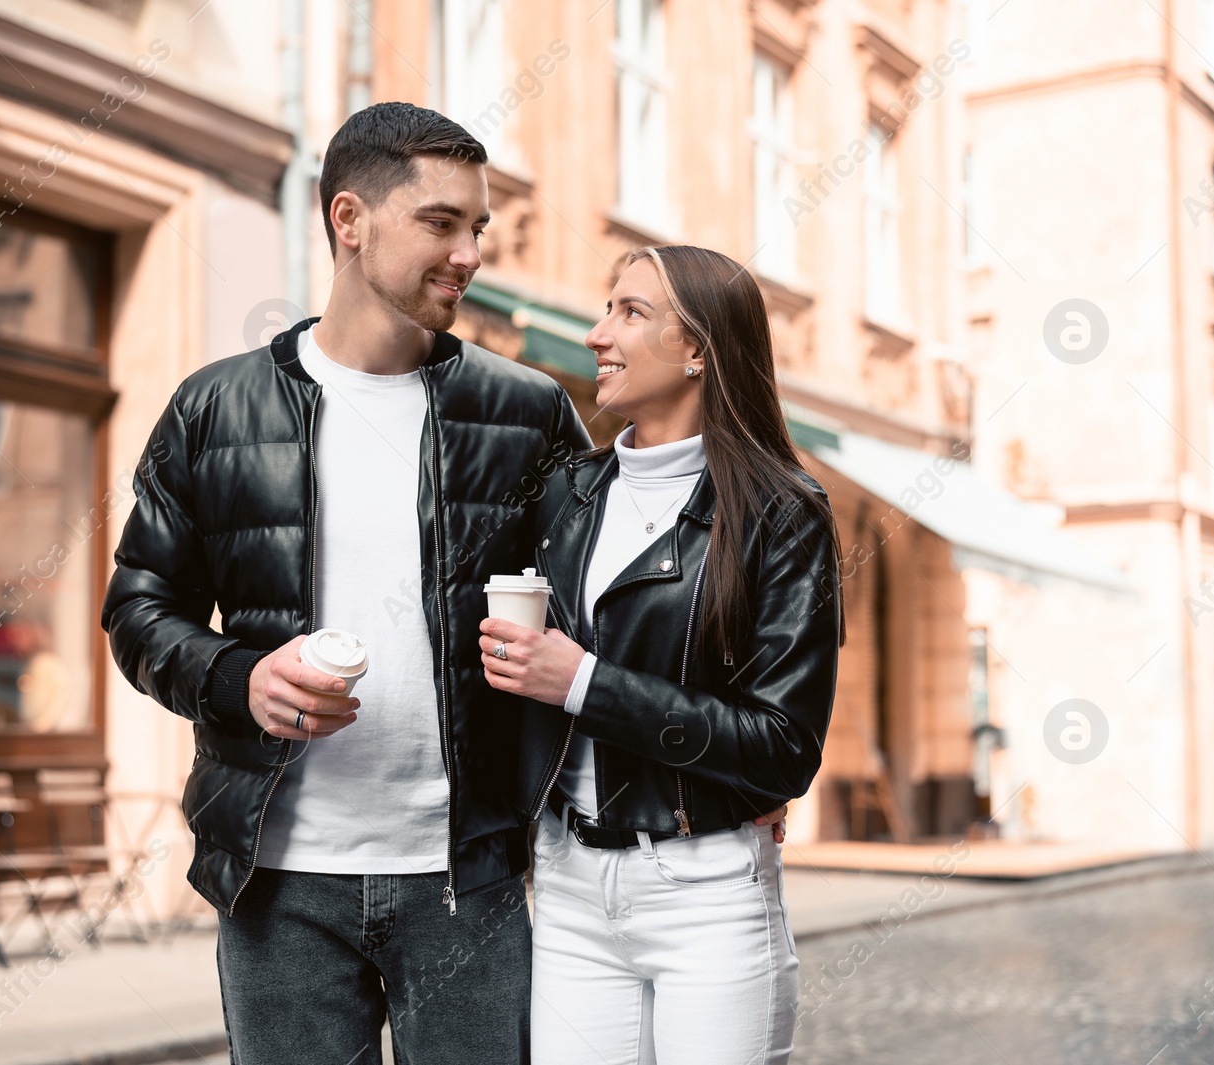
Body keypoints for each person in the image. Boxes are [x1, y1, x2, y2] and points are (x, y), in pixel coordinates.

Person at [101, 102, 590, 1064]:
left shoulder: (528, 413)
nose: (469, 252)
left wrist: (709, 755)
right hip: (279, 880)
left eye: (477, 227)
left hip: (469, 877)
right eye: (440, 223)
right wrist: (238, 677)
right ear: (349, 219)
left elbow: (603, 618)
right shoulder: (214, 408)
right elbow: (138, 611)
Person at [478, 245, 845, 1064]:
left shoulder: (783, 514)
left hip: (707, 891)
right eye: (606, 309)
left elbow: (783, 746)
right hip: (569, 885)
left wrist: (582, 682)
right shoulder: (564, 495)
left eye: (630, 312)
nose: (598, 335)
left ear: (698, 351)